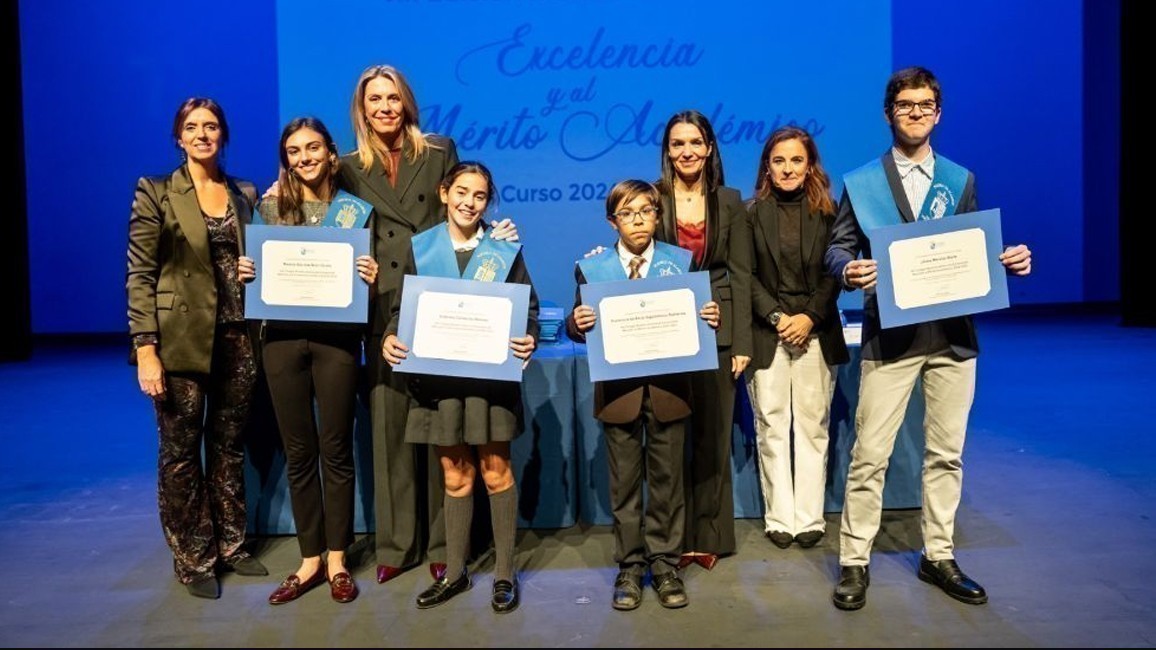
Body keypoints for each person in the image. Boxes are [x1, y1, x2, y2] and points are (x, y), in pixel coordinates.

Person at [825, 66, 1033, 610]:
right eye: (904, 105)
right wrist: (848, 271)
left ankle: (938, 554)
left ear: (938, 113)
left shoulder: (960, 179)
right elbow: (838, 248)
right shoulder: (861, 182)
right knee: (870, 454)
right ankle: (854, 561)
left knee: (946, 454)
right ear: (888, 113)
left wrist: (1006, 261)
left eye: (924, 106)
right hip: (889, 338)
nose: (915, 114)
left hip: (952, 338)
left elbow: (964, 254)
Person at [337, 65, 518, 585]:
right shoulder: (348, 168)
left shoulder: (438, 151)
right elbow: (336, 226)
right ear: (362, 108)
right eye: (375, 99)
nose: (385, 107)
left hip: (442, 304)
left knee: (447, 430)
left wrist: (497, 238)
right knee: (392, 428)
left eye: (394, 98)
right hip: (385, 308)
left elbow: (464, 211)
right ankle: (397, 544)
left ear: (407, 103)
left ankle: (446, 544)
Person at [126, 97, 269, 599]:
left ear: (223, 135)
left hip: (237, 338)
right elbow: (140, 275)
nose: (203, 134)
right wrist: (146, 348)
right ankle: (193, 558)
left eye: (211, 126)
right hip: (181, 342)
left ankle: (231, 545)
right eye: (193, 127)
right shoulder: (158, 191)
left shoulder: (244, 192)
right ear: (178, 137)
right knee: (181, 454)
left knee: (228, 448)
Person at [382, 162, 538, 613]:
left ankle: (505, 573)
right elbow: (401, 308)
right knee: (455, 475)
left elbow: (526, 305)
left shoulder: (502, 249)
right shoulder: (423, 247)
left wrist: (526, 336)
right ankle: (455, 572)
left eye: (480, 196)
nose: (470, 202)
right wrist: (393, 335)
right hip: (439, 382)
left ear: (488, 202)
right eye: (462, 192)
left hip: (489, 381)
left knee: (494, 471)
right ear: (444, 193)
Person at [238, 117, 378, 605]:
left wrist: (369, 272)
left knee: (336, 449)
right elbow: (255, 271)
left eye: (313, 147)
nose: (304, 157)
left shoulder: (354, 211)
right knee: (299, 452)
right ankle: (309, 559)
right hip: (280, 341)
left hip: (336, 341)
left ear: (331, 151)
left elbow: (366, 277)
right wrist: (247, 269)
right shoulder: (270, 206)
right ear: (286, 159)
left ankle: (338, 558)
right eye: (294, 151)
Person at [566, 179, 720, 611]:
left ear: (657, 216)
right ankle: (631, 566)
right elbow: (574, 326)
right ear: (612, 221)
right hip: (619, 394)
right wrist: (577, 323)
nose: (638, 220)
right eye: (628, 213)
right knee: (625, 486)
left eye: (646, 211)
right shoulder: (591, 269)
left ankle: (666, 564)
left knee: (668, 483)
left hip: (669, 390)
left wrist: (708, 315)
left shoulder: (680, 263)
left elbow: (698, 321)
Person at [654, 110, 752, 571]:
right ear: (667, 151)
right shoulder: (651, 199)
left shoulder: (729, 200)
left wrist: (742, 342)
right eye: (677, 144)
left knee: (713, 438)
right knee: (672, 439)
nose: (686, 151)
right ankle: (672, 537)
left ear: (709, 148)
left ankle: (708, 536)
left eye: (695, 142)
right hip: (666, 329)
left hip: (718, 328)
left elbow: (742, 273)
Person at [746, 126, 849, 551]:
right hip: (766, 332)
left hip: (816, 331)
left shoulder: (829, 212)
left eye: (797, 160)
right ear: (767, 167)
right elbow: (743, 275)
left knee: (812, 426)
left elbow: (834, 273)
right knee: (772, 425)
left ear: (810, 166)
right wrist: (776, 316)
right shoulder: (749, 213)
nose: (788, 168)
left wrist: (807, 317)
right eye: (779, 161)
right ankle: (779, 517)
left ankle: (808, 518)